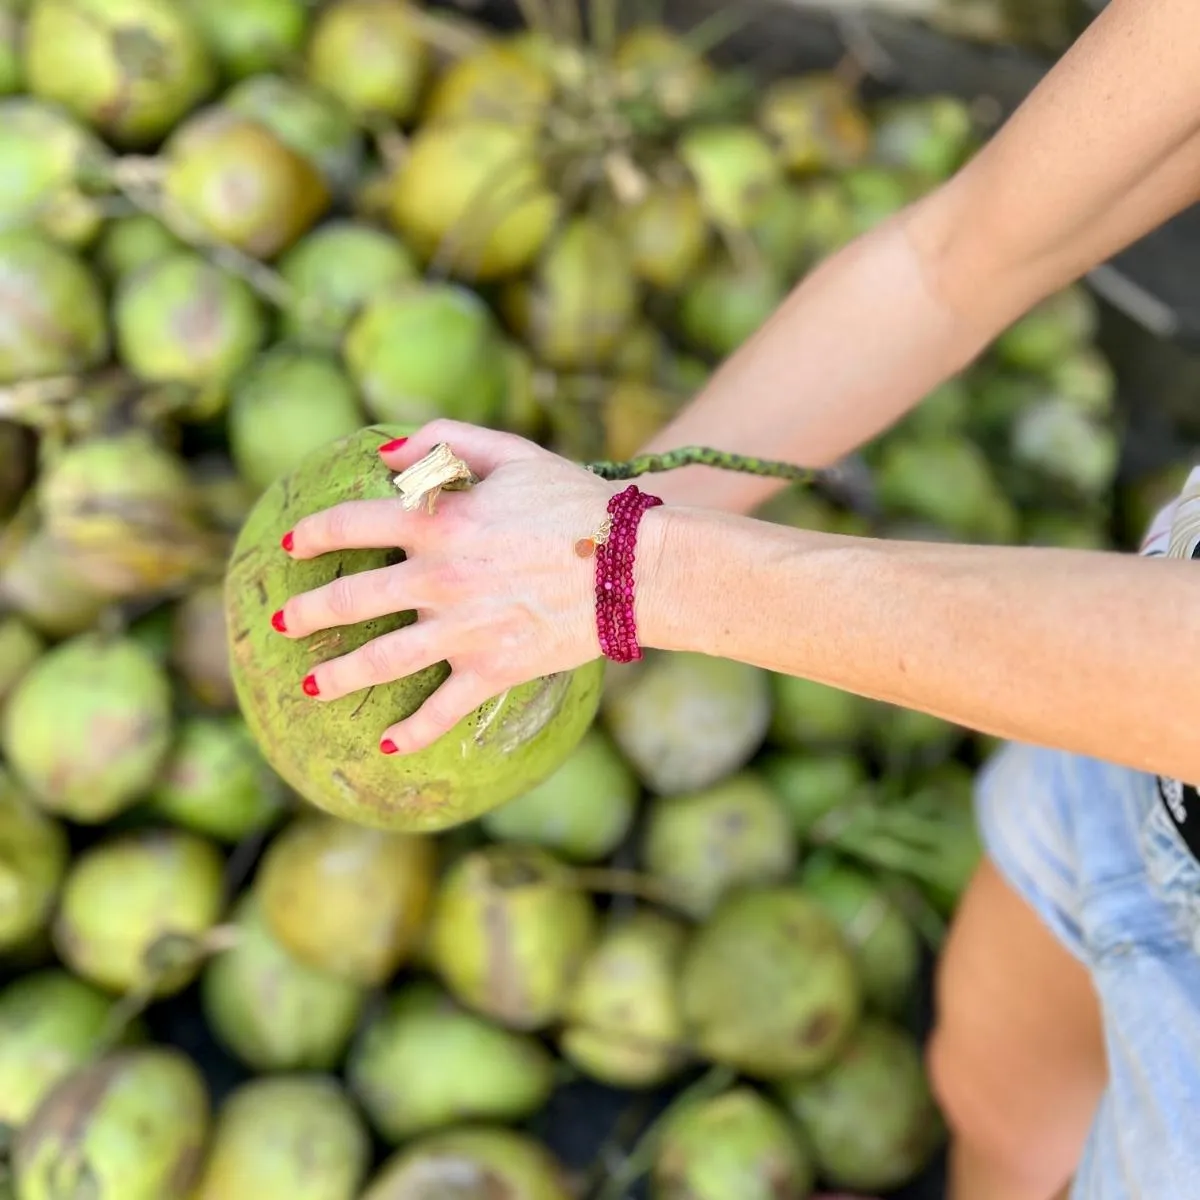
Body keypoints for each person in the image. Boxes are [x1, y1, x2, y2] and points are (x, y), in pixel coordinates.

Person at [269, 1, 1200, 1196]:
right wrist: (594, 508)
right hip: (1113, 724)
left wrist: (628, 571)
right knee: (997, 1097)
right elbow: (957, 256)